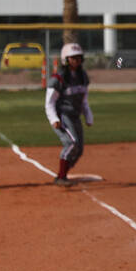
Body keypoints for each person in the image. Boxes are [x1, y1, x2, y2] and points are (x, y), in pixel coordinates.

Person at [46, 42, 93, 186]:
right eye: (73, 58)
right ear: (66, 60)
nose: (77, 60)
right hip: (62, 115)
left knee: (79, 150)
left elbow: (84, 99)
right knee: (72, 144)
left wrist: (88, 115)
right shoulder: (59, 78)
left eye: (79, 57)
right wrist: (54, 118)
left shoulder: (82, 76)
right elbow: (49, 102)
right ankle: (61, 177)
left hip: (75, 115)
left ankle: (63, 172)